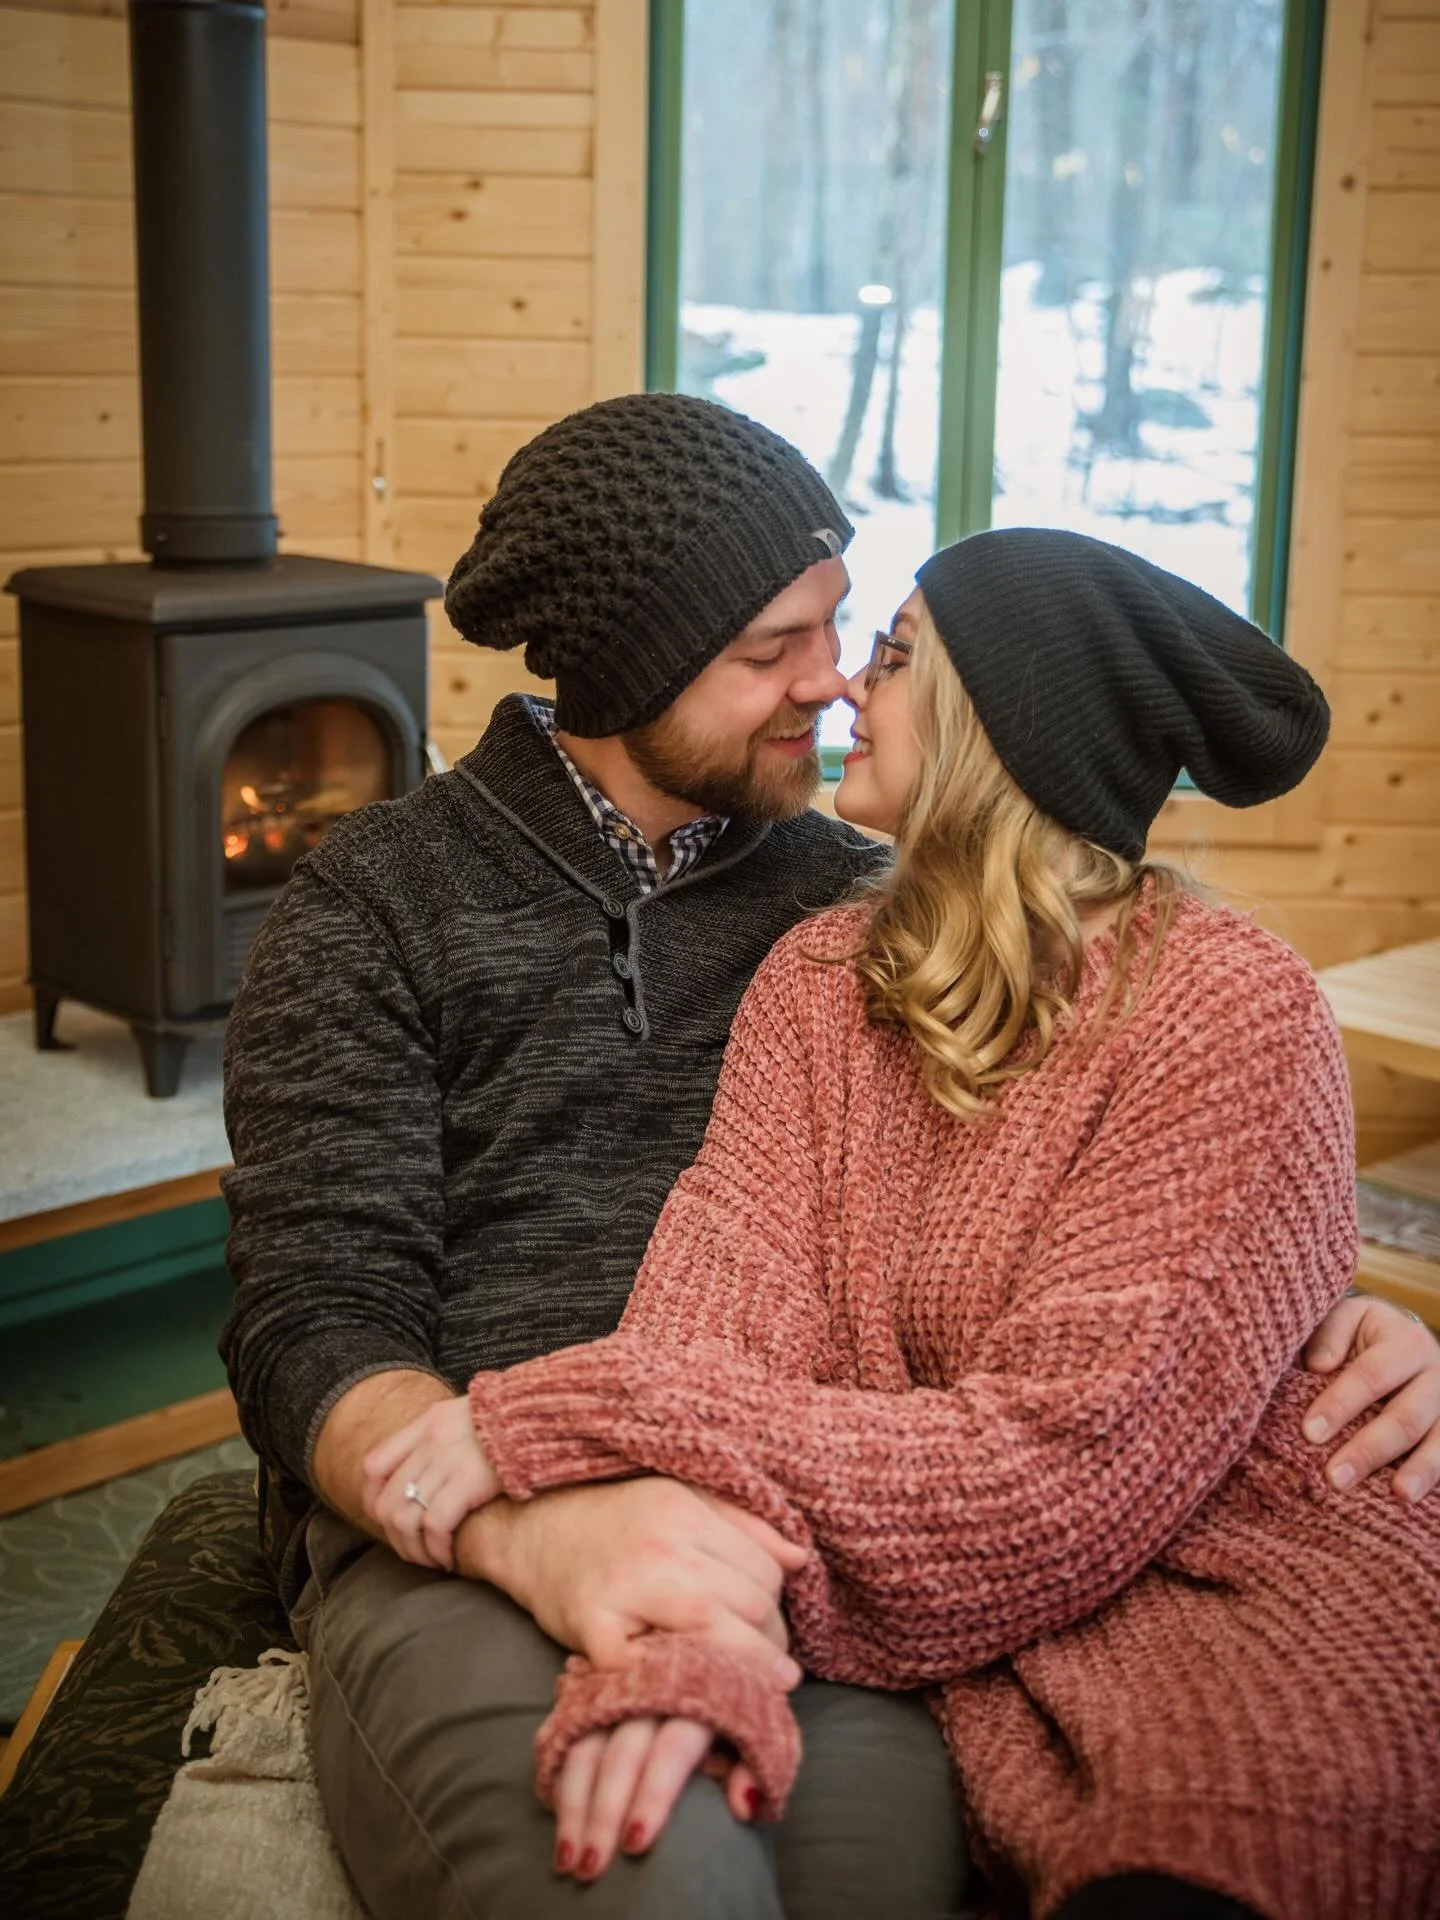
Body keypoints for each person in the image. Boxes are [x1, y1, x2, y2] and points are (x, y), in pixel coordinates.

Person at [220, 397, 1440, 1920]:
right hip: (473, 1512)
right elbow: (312, 1315)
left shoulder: (872, 912)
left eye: (851, 632)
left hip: (808, 1525)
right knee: (652, 1880)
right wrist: (528, 1520)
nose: (827, 682)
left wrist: (1316, 1320)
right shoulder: (375, 903)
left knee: (868, 1875)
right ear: (626, 669)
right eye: (766, 652)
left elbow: (1118, 1252)